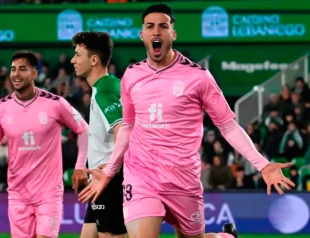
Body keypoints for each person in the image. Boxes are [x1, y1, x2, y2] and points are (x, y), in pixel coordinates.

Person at [79, 4, 295, 238]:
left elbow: (228, 125)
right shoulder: (131, 76)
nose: (156, 32)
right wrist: (110, 172)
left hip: (183, 181)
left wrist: (262, 164)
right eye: (150, 27)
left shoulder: (198, 77)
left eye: (163, 26)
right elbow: (128, 127)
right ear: (142, 35)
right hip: (141, 177)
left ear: (173, 34)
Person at [0, 50, 89, 238]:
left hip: (49, 192)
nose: (16, 74)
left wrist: (80, 166)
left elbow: (83, 129)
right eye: (13, 69)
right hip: (18, 193)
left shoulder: (55, 103)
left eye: (22, 69)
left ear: (34, 73)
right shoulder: (0, 108)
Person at [70, 31, 127, 238]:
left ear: (94, 60)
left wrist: (108, 167)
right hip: (101, 180)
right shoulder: (106, 86)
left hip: (110, 181)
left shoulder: (105, 91)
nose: (72, 60)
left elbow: (124, 132)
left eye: (77, 54)